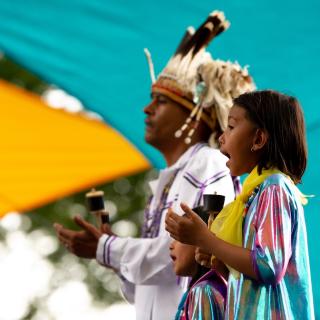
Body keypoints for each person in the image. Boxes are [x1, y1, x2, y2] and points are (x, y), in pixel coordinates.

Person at [54, 11, 255, 320]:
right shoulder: (170, 179)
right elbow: (145, 286)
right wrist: (111, 252)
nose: (147, 110)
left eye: (161, 102)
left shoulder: (209, 164)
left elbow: (184, 255)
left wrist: (109, 248)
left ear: (194, 116)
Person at [165, 90, 315, 319]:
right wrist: (220, 260)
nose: (222, 138)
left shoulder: (274, 188)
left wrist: (207, 240)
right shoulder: (255, 194)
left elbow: (268, 267)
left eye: (231, 127)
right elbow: (250, 276)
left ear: (258, 139)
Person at [170, 207, 227, 320]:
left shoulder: (205, 291)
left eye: (181, 236)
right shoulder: (198, 291)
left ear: (201, 240)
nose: (171, 245)